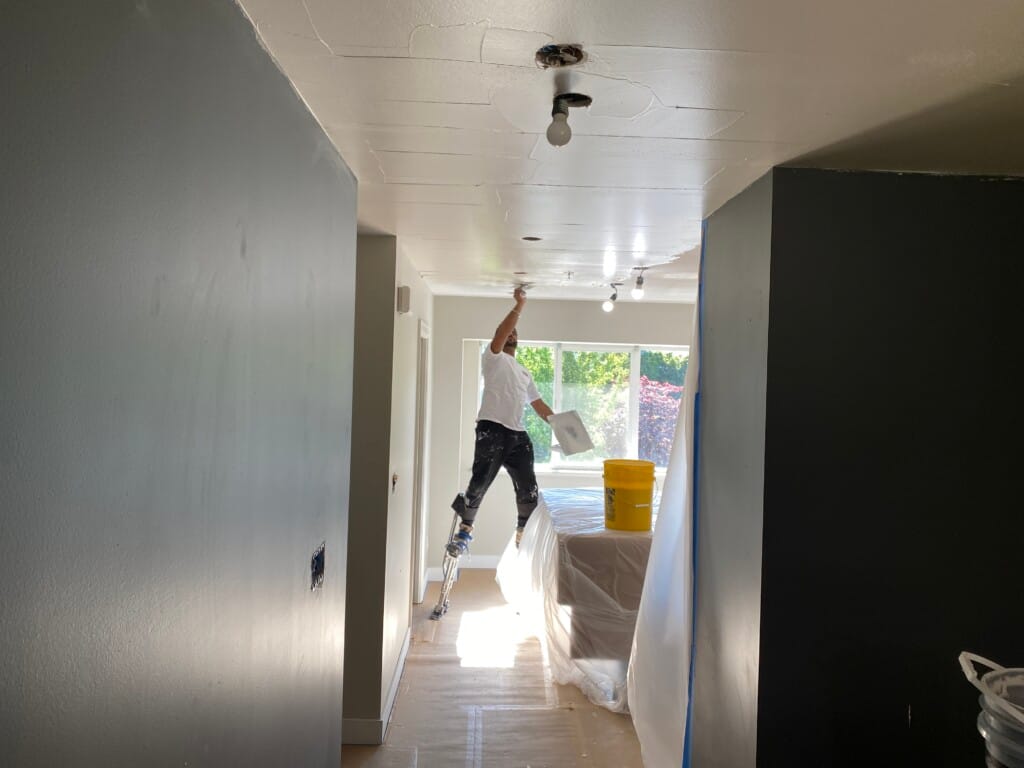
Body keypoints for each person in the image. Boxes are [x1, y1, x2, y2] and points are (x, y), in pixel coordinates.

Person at [449, 287, 554, 555]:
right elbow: (501, 332)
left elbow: (538, 404)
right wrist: (519, 306)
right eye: (509, 332)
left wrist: (562, 426)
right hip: (492, 429)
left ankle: (523, 531)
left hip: (517, 435)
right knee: (480, 481)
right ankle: (466, 529)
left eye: (515, 333)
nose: (512, 335)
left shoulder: (523, 372)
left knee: (528, 487)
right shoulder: (493, 358)